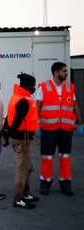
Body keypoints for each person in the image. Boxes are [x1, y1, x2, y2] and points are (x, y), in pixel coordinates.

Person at [36, 62, 83, 196]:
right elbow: (37, 106)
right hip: (48, 129)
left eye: (66, 71)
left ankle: (65, 183)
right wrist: (36, 124)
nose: (66, 74)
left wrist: (79, 123)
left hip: (66, 130)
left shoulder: (69, 87)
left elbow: (75, 106)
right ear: (56, 72)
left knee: (65, 157)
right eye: (64, 71)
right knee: (47, 157)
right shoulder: (44, 87)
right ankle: (45, 183)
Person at [4, 73, 39, 209]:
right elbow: (16, 120)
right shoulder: (23, 101)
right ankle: (18, 199)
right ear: (27, 86)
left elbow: (8, 117)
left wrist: (7, 133)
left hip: (24, 137)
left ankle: (25, 192)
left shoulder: (18, 97)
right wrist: (9, 135)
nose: (34, 88)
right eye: (33, 86)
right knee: (22, 168)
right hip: (21, 138)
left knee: (29, 167)